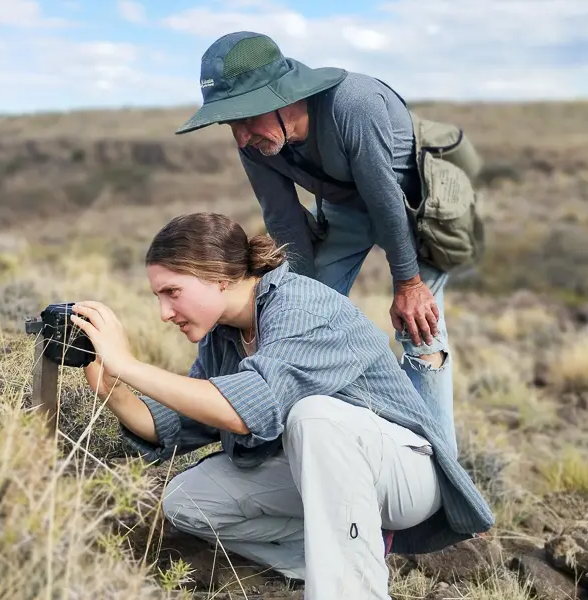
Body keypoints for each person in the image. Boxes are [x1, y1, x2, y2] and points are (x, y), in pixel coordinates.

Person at [69, 212, 493, 600]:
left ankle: (351, 590)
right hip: (328, 471)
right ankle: (336, 558)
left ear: (217, 276)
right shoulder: (225, 334)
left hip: (405, 475)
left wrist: (129, 364)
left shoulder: (301, 306)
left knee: (314, 416)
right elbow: (185, 420)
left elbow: (249, 409)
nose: (164, 312)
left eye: (172, 292)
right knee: (187, 499)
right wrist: (113, 388)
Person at [174, 31, 465, 456]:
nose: (239, 137)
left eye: (245, 119)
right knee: (301, 323)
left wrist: (409, 284)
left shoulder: (354, 105)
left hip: (413, 209)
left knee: (421, 330)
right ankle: (324, 447)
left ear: (280, 99)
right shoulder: (256, 142)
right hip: (348, 210)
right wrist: (298, 300)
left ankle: (441, 477)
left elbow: (386, 201)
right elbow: (283, 218)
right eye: (229, 123)